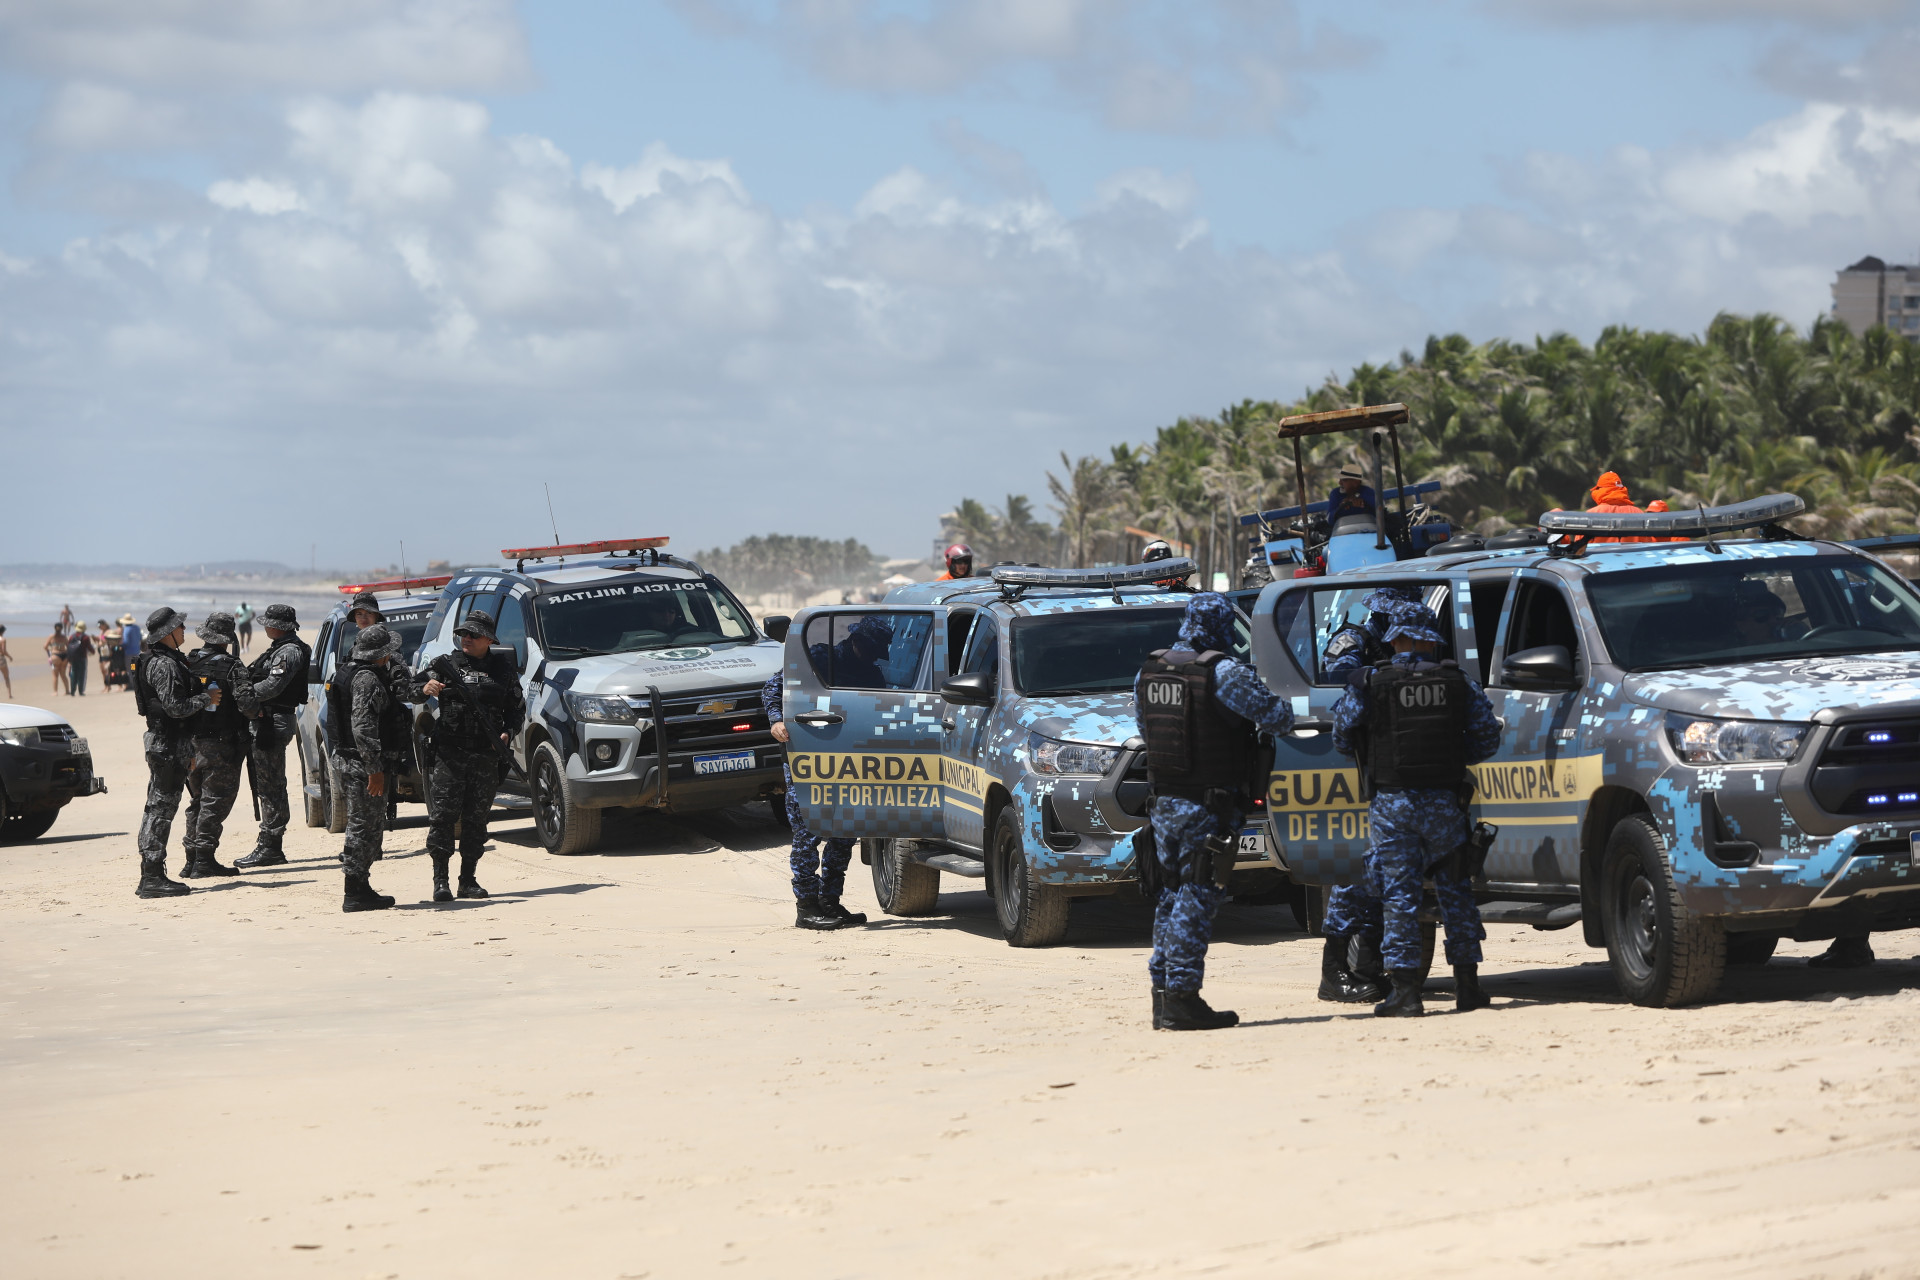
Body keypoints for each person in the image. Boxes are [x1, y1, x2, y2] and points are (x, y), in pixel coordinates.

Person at [1331, 604, 1503, 1016]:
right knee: (1456, 890)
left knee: (1399, 896)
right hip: (1445, 801)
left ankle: (1406, 993)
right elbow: (1487, 742)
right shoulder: (1458, 682)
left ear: (1395, 639)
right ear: (1431, 639)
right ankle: (1468, 987)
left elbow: (1341, 737)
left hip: (1393, 803)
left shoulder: (1372, 684)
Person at [1135, 592, 1295, 1030]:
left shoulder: (1148, 671)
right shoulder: (1222, 671)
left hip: (1164, 800)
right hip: (1206, 805)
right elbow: (1276, 716)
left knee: (1170, 894)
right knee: (1196, 894)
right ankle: (1183, 1000)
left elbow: (1143, 725)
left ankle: (1164, 995)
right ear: (1223, 626)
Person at [1314, 587, 1421, 1003]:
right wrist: (1374, 681)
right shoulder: (1354, 639)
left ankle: (1369, 969)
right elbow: (1339, 680)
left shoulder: (1415, 638)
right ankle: (1335, 969)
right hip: (1367, 767)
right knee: (1361, 874)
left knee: (1384, 877)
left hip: (1405, 772)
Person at [416, 610, 525, 902]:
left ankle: (468, 879)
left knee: (477, 819)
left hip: (485, 755)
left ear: (489, 639)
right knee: (442, 819)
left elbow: (516, 709)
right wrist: (425, 688)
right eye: (463, 633)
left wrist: (507, 733)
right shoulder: (446, 665)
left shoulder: (503, 669)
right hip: (450, 752)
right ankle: (441, 880)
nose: (466, 638)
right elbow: (410, 689)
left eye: (473, 634)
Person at [764, 667, 865, 931]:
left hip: (846, 756)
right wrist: (776, 720)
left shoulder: (869, 667)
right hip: (807, 756)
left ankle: (829, 901)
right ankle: (806, 907)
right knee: (807, 831)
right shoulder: (815, 657)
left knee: (845, 831)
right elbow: (771, 688)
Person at [132, 607, 219, 898]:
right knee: (161, 811)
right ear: (167, 633)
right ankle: (153, 877)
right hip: (167, 744)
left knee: (156, 808)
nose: (183, 630)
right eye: (179, 626)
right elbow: (175, 708)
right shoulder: (166, 665)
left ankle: (151, 874)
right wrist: (206, 698)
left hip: (167, 743)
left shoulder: (160, 661)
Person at [329, 624, 408, 911]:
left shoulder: (349, 672)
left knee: (366, 824)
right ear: (383, 654)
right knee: (363, 826)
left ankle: (361, 887)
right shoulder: (367, 680)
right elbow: (362, 727)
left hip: (351, 759)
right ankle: (354, 891)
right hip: (362, 764)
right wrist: (374, 768)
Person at [178, 613, 260, 878]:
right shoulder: (232, 666)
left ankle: (191, 859)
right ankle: (203, 859)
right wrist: (258, 713)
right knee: (215, 802)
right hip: (221, 746)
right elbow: (247, 705)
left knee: (198, 801)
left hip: (190, 744)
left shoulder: (187, 662)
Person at [236, 604, 311, 869]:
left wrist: (243, 693)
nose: (265, 626)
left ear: (278, 626)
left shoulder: (289, 651)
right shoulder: (280, 648)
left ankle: (271, 845)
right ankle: (270, 842)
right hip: (268, 720)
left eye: (268, 623)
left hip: (273, 721)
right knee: (269, 783)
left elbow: (273, 686)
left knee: (270, 785)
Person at [1587, 471, 1648, 544]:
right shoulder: (1640, 514)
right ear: (1622, 489)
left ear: (1599, 490)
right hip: (1633, 555)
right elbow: (1648, 546)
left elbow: (1579, 548)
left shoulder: (1591, 515)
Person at [65, 623, 94, 696]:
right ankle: (81, 691)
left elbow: (68, 646)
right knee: (81, 674)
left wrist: (69, 658)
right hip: (82, 658)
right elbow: (89, 647)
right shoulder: (86, 637)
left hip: (73, 658)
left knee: (74, 673)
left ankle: (72, 691)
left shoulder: (72, 636)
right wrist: (93, 651)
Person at [46, 624, 69, 696]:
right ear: (62, 628)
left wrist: (49, 654)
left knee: (55, 675)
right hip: (64, 656)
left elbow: (45, 646)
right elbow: (68, 646)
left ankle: (55, 692)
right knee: (63, 674)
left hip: (55, 655)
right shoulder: (64, 637)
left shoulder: (51, 636)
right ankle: (67, 690)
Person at [0, 624, 11, 698]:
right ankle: (9, 694)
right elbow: (3, 651)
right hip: (1, 659)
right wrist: (10, 657)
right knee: (6, 677)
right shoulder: (3, 639)